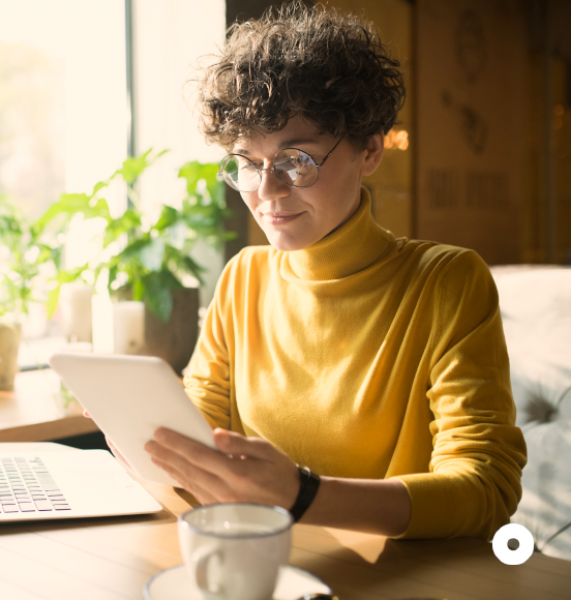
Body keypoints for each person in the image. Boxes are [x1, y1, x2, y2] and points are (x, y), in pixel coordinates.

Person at [141, 2, 527, 540]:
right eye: (248, 164)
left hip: (399, 576)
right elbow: (203, 429)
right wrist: (144, 432)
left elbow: (487, 487)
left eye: (296, 160)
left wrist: (303, 496)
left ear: (370, 150)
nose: (267, 192)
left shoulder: (446, 282)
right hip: (269, 562)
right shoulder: (243, 278)